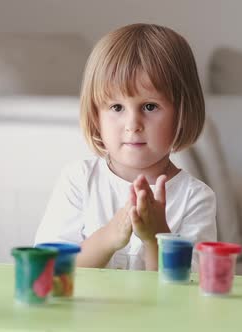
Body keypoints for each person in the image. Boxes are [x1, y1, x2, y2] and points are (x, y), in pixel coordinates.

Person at [34, 23, 216, 271]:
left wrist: (155, 237)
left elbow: (187, 290)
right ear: (95, 114)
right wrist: (111, 235)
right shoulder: (78, 180)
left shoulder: (195, 198)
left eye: (150, 106)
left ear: (183, 113)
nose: (133, 124)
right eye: (117, 108)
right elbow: (50, 271)